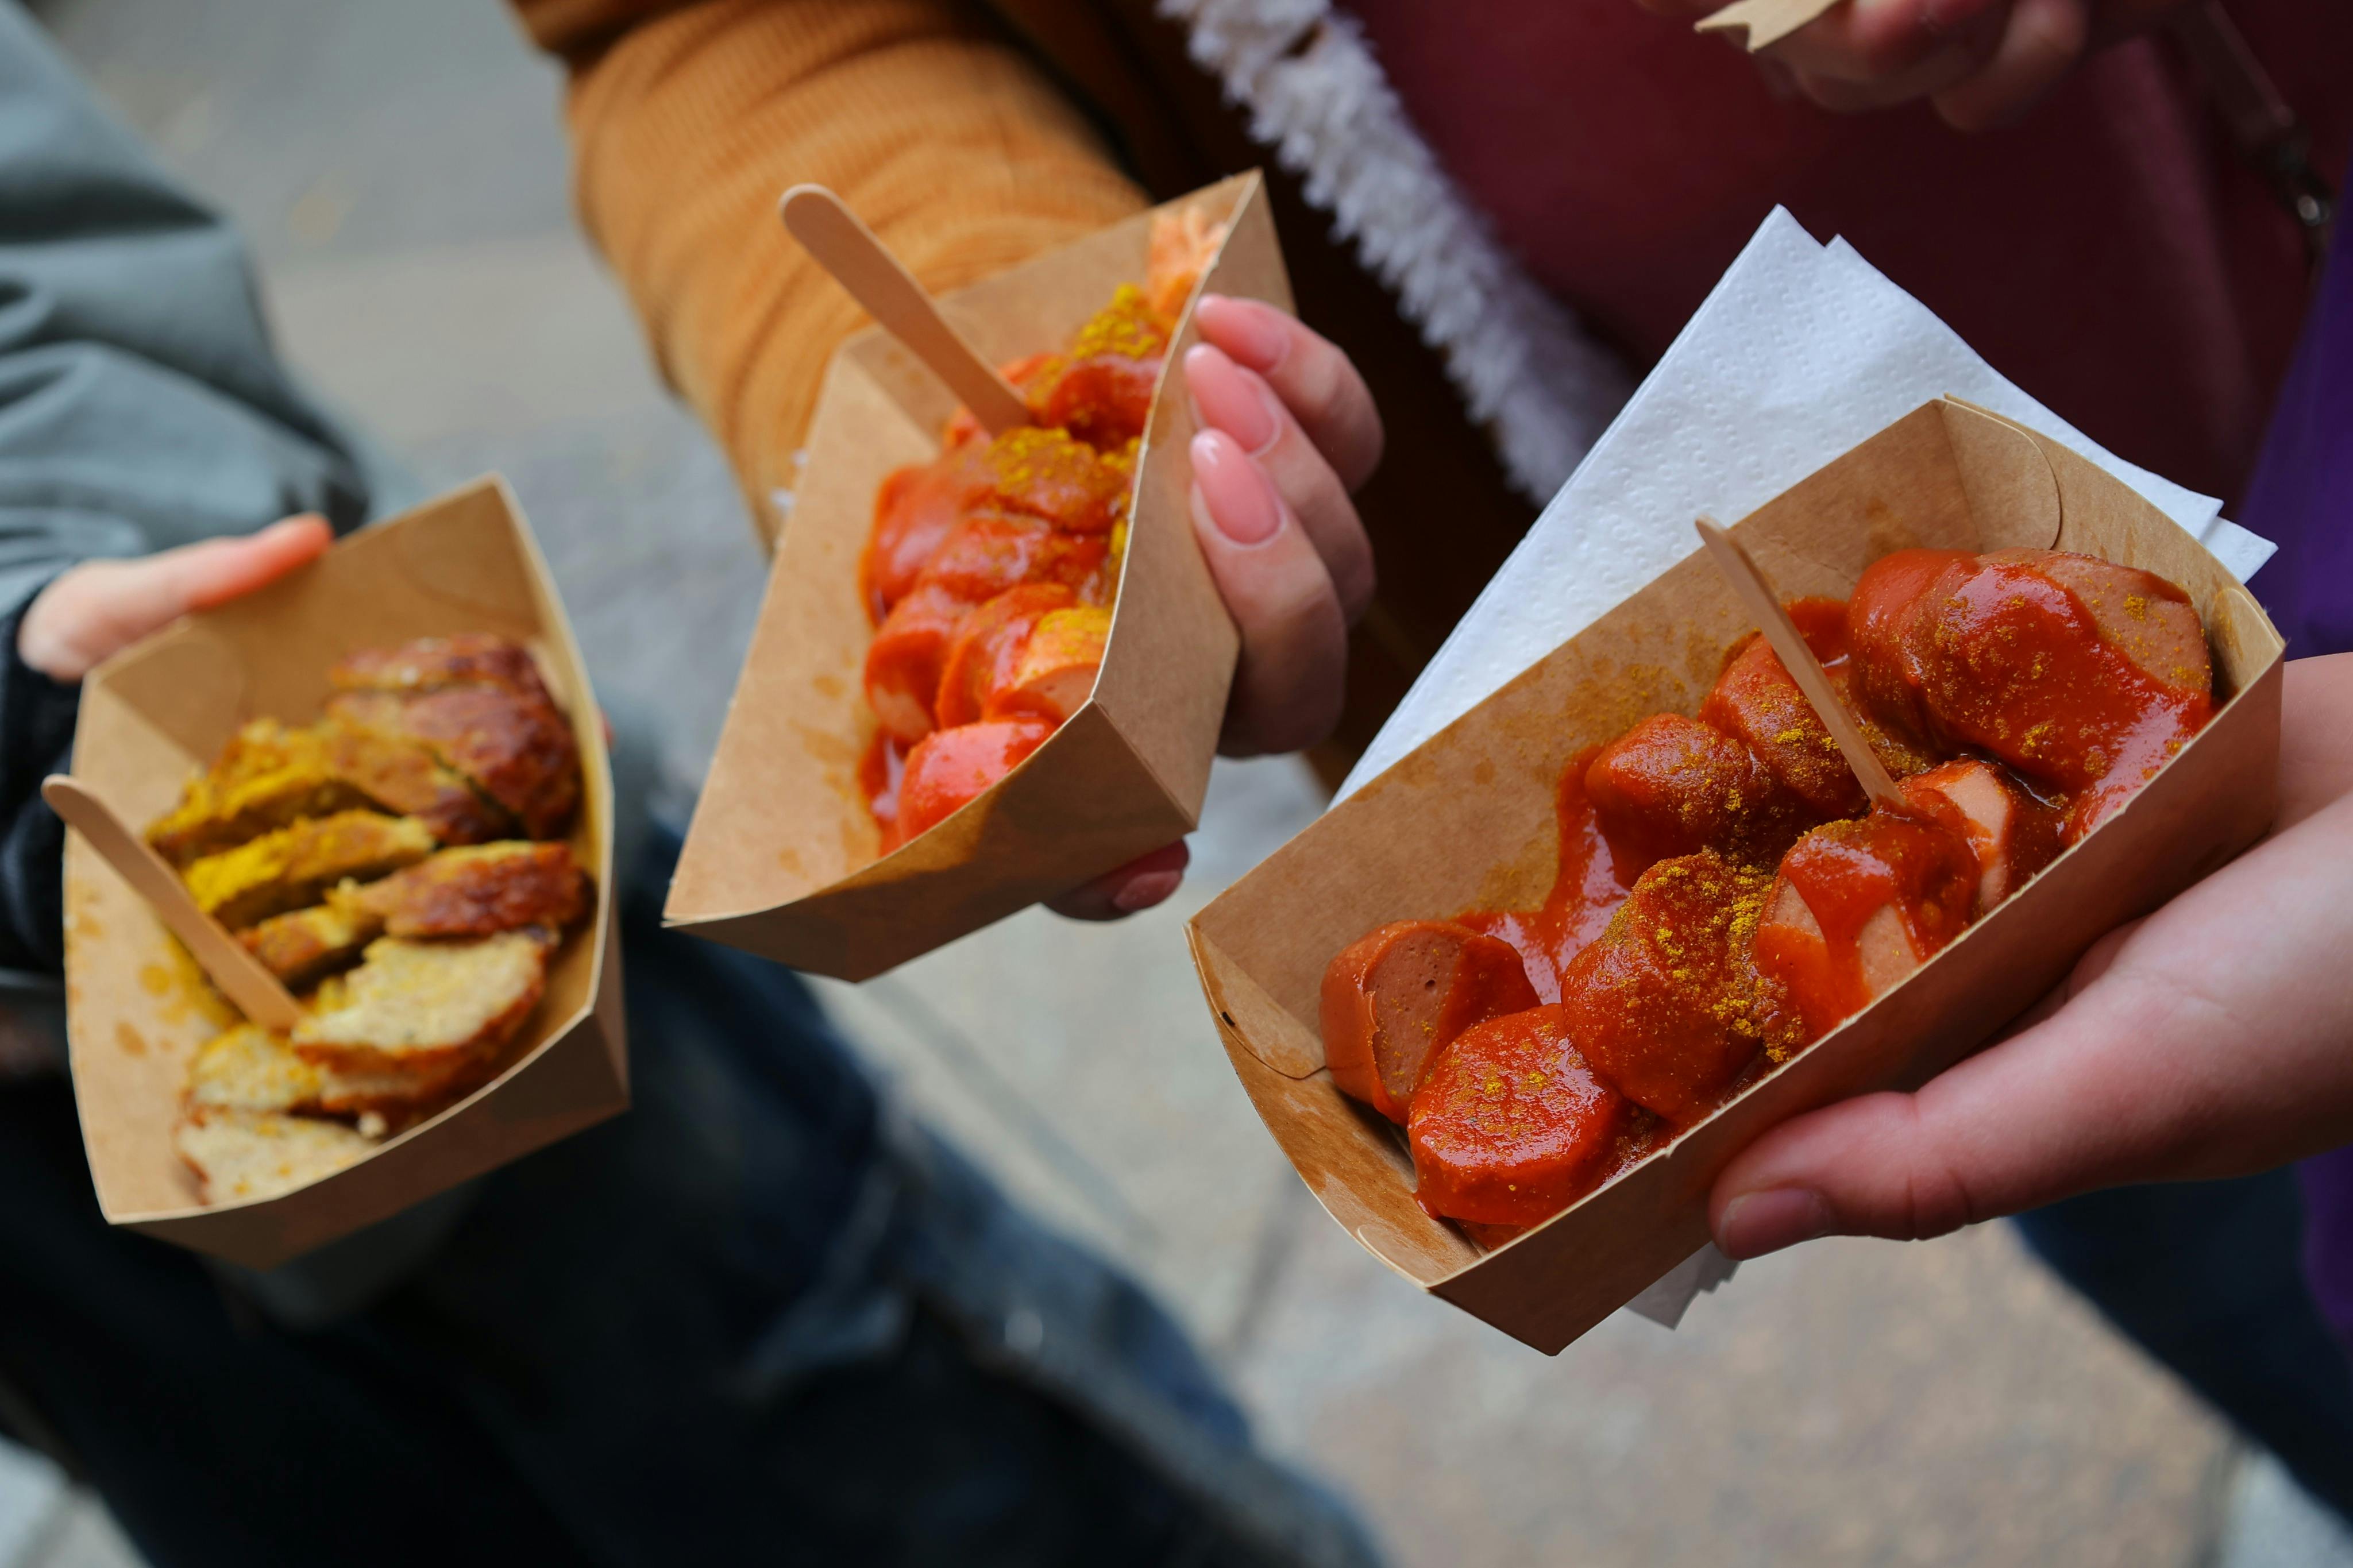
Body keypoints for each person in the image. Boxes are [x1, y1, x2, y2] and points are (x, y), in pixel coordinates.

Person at [497, 0, 2353, 1524]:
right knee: (2207, 1236)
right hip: (1717, 573)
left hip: (2233, 233)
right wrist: (1041, 388)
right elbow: (712, 31)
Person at [0, 10, 1383, 1565]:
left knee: (951, 1473)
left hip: (523, 1033)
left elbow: (47, 299)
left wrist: (28, 638)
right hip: (63, 1290)